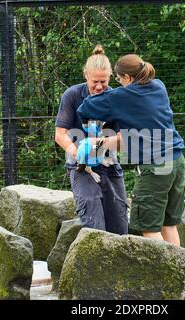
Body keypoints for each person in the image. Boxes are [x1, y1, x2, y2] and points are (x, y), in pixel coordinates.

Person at [77, 54, 185, 246]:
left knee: (150, 229)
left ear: (126, 78)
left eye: (118, 80)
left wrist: (106, 97)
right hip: (177, 161)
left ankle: (164, 275)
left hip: (155, 168)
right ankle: (181, 274)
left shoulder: (121, 96)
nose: (119, 83)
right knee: (169, 225)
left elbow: (85, 108)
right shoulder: (159, 86)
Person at [54, 45, 128, 235]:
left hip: (109, 164)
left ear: (110, 76)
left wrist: (98, 146)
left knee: (120, 227)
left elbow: (125, 138)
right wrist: (77, 152)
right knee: (94, 224)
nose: (98, 86)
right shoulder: (72, 95)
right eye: (95, 81)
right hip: (81, 167)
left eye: (103, 81)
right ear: (86, 75)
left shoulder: (117, 98)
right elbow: (60, 134)